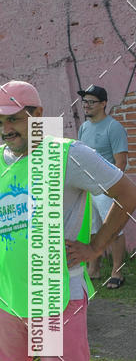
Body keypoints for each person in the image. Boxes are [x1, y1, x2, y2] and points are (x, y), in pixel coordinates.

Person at [0, 81, 136, 361]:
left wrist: (96, 247)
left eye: (14, 119)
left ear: (37, 116)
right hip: (6, 293)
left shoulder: (67, 154)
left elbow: (127, 193)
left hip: (55, 293)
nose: (6, 130)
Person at [77, 84, 129, 288]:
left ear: (104, 104)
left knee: (113, 230)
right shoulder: (84, 127)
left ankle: (117, 272)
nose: (86, 106)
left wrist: (111, 188)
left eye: (91, 102)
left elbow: (121, 162)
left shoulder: (113, 127)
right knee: (92, 229)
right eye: (84, 102)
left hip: (107, 188)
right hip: (88, 188)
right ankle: (94, 269)